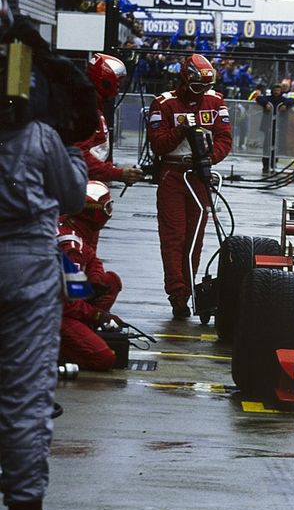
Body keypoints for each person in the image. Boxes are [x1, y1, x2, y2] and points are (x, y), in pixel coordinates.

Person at [1, 114, 88, 510]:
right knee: (25, 395)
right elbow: (73, 195)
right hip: (26, 271)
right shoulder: (39, 135)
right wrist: (71, 147)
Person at [147, 53, 232, 319]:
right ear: (185, 80)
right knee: (173, 238)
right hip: (173, 174)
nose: (202, 92)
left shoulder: (216, 102)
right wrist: (180, 131)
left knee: (194, 240)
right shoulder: (163, 104)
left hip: (200, 175)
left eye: (206, 86)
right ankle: (178, 295)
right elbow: (158, 144)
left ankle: (192, 291)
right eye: (197, 86)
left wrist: (209, 158)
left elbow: (224, 139)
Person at [58, 182, 122, 371]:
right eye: (107, 207)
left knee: (110, 281)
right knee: (104, 358)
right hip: (49, 311)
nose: (109, 212)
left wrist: (95, 278)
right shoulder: (71, 246)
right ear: (92, 212)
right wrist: (97, 315)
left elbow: (93, 259)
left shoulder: (72, 228)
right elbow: (66, 303)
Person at [78, 53, 143, 186]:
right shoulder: (84, 109)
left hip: (87, 182)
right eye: (117, 84)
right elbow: (79, 155)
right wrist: (117, 173)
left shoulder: (92, 106)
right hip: (79, 184)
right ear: (106, 81)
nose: (118, 90)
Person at [255, 84, 294, 172]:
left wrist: (285, 105)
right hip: (268, 126)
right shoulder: (268, 98)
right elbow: (259, 98)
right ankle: (265, 164)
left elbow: (292, 100)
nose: (277, 92)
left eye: (278, 90)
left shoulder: (283, 99)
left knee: (276, 146)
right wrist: (266, 104)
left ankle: (274, 163)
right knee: (267, 145)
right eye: (275, 90)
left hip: (279, 127)